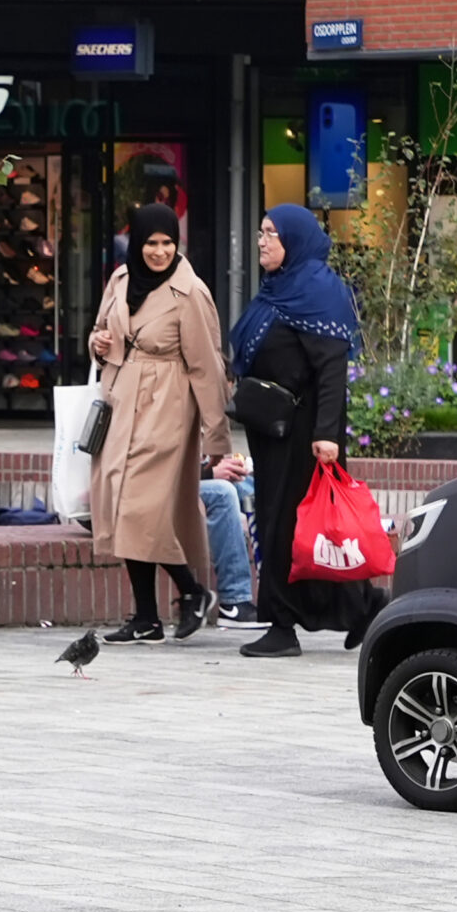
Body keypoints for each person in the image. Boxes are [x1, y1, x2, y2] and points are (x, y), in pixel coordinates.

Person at [232, 204, 382, 658]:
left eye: (272, 234)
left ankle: (281, 624)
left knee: (291, 526)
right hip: (274, 429)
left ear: (294, 241)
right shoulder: (279, 288)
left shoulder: (318, 290)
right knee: (296, 527)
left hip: (305, 434)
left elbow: (332, 370)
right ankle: (364, 608)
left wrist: (327, 435)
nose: (262, 241)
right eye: (260, 232)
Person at [85, 203, 233, 645]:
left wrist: (216, 436)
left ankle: (192, 591)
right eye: (151, 242)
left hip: (168, 404)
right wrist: (99, 343)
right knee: (122, 506)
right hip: (121, 399)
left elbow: (208, 366)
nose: (160, 251)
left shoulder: (191, 293)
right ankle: (147, 617)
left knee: (139, 507)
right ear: (137, 242)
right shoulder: (120, 279)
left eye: (168, 242)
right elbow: (101, 333)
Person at [201, 465, 262, 627]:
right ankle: (233, 601)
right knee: (223, 492)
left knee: (256, 486)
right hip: (160, 487)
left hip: (192, 476)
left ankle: (287, 597)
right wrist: (208, 472)